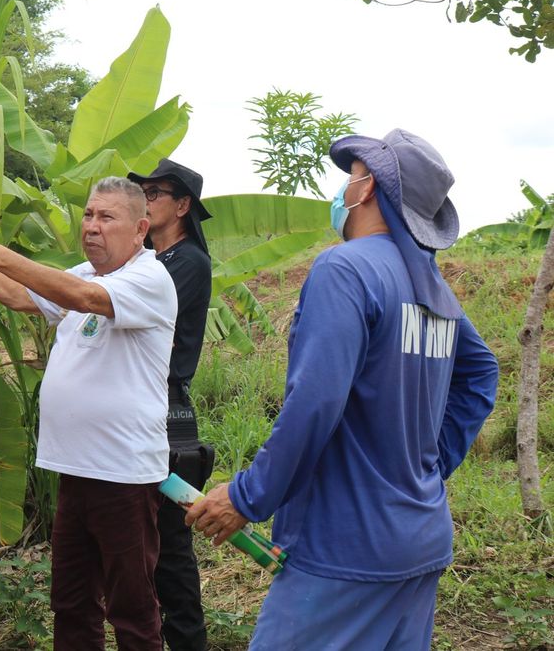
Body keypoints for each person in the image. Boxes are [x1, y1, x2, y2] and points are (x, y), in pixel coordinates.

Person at [185, 129, 499, 650]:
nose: (343, 192)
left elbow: (316, 401)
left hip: (346, 549)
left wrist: (247, 495)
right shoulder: (431, 284)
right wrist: (427, 466)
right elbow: (481, 371)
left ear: (367, 187)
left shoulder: (346, 269)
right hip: (418, 538)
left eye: (349, 178)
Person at [0, 177, 177, 650]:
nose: (91, 226)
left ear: (140, 229)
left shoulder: (148, 279)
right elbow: (18, 295)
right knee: (70, 603)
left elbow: (82, 300)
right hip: (74, 468)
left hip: (124, 473)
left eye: (106, 217)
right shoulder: (85, 275)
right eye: (89, 215)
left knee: (131, 607)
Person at [127, 159, 213, 651]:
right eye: (143, 190)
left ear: (182, 207)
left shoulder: (187, 264)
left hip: (167, 411)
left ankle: (186, 642)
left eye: (156, 192)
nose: (147, 198)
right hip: (140, 407)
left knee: (170, 543)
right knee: (141, 540)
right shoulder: (149, 260)